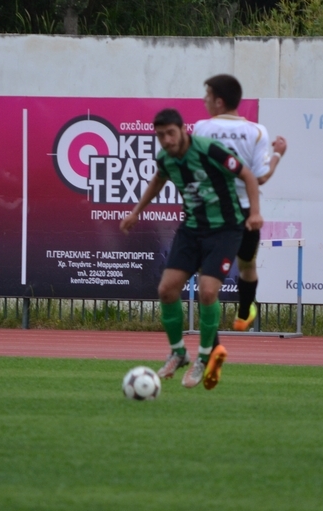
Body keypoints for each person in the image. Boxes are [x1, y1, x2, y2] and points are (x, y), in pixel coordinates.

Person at [120, 109, 263, 390]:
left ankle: (205, 357)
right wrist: (136, 211)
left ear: (183, 129)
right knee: (166, 289)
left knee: (208, 292)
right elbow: (158, 179)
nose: (166, 140)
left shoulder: (209, 149)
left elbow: (247, 175)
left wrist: (255, 212)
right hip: (191, 229)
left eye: (170, 133)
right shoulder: (166, 158)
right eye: (160, 135)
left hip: (225, 229)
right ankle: (178, 352)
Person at [193, 74, 286, 332]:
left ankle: (208, 325)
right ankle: (245, 312)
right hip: (245, 209)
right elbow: (261, 178)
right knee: (247, 265)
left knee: (206, 270)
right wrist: (278, 154)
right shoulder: (256, 131)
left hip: (212, 209)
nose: (204, 100)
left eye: (208, 95)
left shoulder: (201, 128)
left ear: (219, 101)